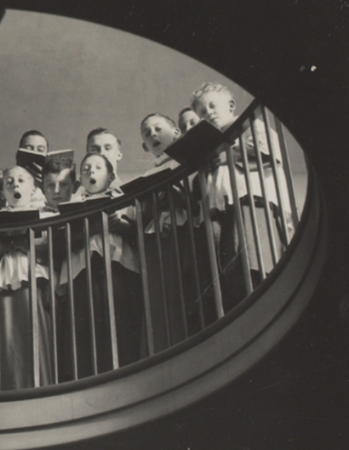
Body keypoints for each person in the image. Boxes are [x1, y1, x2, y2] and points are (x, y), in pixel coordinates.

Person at [191, 82, 290, 311]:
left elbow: (269, 154)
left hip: (250, 202)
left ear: (231, 105)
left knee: (252, 262)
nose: (209, 113)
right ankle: (245, 310)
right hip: (220, 210)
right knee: (229, 268)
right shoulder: (212, 147)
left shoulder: (249, 125)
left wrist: (229, 154)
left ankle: (263, 308)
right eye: (203, 113)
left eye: (213, 106)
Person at [56, 153, 141, 379]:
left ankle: (123, 373)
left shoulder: (122, 198)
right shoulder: (72, 204)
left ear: (111, 175)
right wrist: (87, 231)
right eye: (85, 169)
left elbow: (136, 229)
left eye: (97, 168)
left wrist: (119, 224)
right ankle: (89, 376)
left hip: (116, 263)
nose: (91, 172)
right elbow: (63, 241)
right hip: (83, 268)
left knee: (119, 317)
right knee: (85, 322)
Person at [0, 165, 55, 391]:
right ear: (3, 192)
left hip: (33, 277)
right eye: (9, 181)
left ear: (33, 189)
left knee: (33, 336)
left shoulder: (46, 214)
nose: (15, 185)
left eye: (21, 180)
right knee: (4, 339)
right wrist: (0, 249)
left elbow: (56, 252)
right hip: (2, 280)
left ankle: (37, 388)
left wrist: (29, 246)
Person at [139, 113, 201, 350]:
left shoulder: (190, 159)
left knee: (186, 291)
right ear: (145, 147)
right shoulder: (148, 174)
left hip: (186, 230)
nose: (153, 134)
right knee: (161, 296)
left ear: (176, 133)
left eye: (158, 128)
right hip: (158, 238)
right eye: (147, 133)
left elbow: (197, 199)